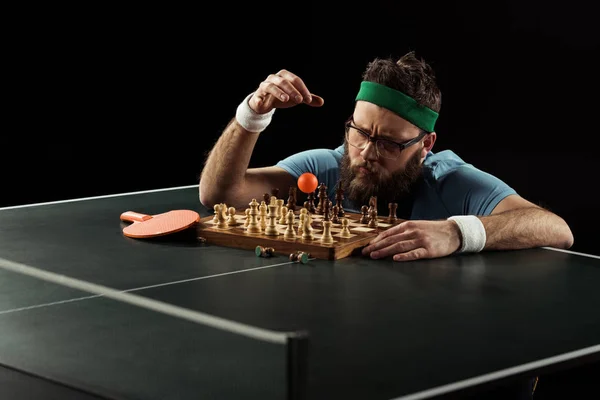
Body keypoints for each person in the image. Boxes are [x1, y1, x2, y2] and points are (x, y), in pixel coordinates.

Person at [199, 51, 574, 262]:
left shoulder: (452, 181)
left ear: (426, 145)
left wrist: (460, 231)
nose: (365, 153)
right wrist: (254, 113)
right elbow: (221, 194)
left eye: (390, 143)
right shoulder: (327, 165)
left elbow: (556, 229)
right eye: (359, 133)